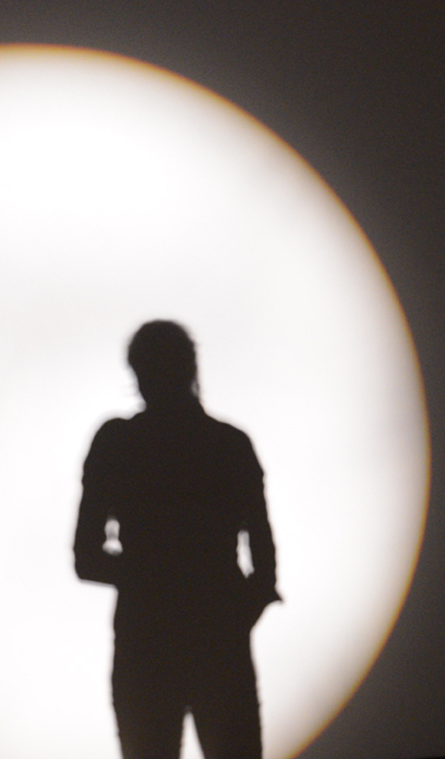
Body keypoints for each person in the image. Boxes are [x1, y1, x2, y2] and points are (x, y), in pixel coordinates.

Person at [73, 321, 281, 759]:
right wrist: (231, 603)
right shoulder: (229, 444)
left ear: (138, 372)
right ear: (190, 368)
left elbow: (86, 558)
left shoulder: (117, 442)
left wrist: (152, 579)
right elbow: (264, 565)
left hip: (146, 640)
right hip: (216, 638)